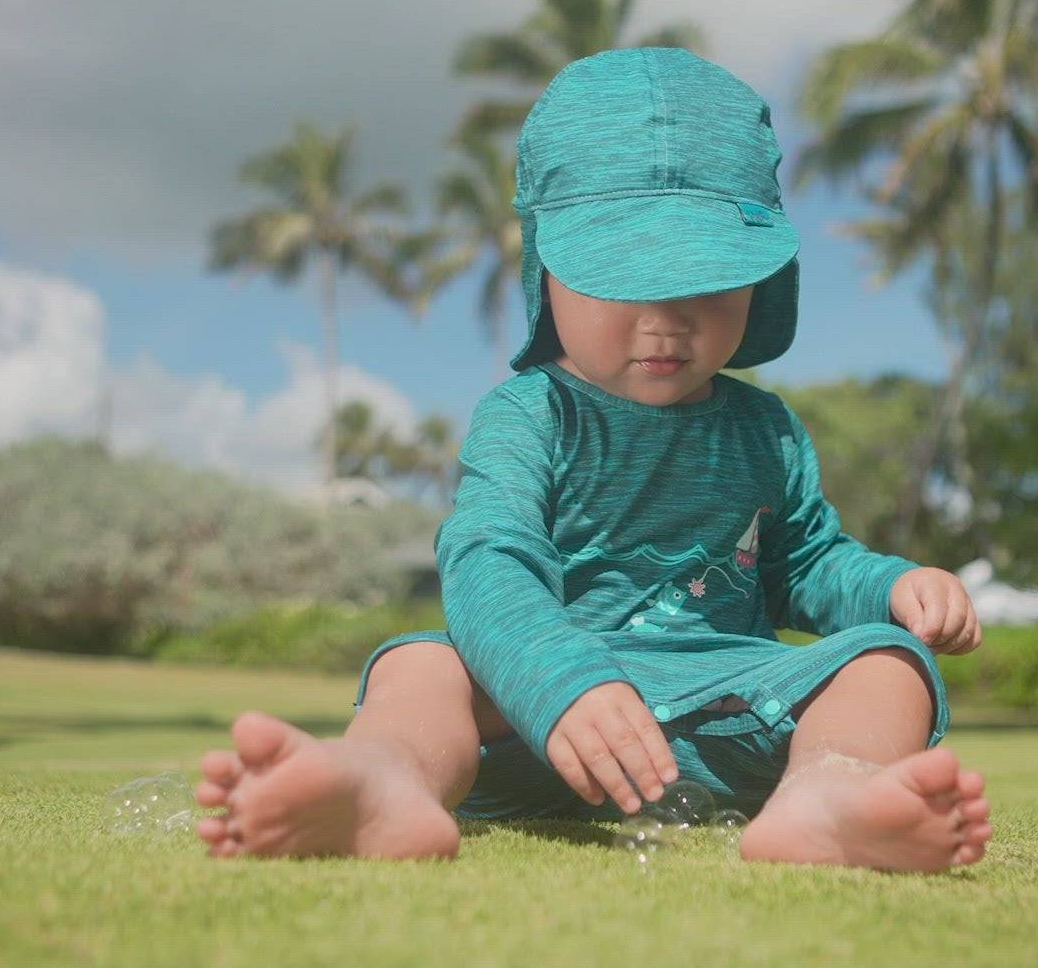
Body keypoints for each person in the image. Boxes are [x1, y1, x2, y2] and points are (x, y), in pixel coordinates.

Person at [197, 48, 992, 873]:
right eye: (624, 279)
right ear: (547, 270)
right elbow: (489, 561)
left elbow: (808, 564)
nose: (667, 321)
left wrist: (893, 587)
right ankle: (383, 780)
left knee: (890, 664)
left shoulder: (768, 429)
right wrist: (562, 680)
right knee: (419, 664)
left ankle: (830, 792)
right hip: (540, 726)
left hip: (733, 713)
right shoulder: (530, 415)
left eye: (708, 283)